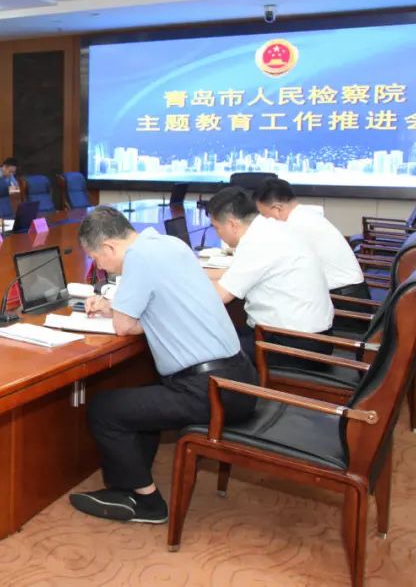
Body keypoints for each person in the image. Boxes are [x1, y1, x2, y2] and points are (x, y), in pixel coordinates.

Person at [69, 207, 257, 524]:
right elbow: (164, 308)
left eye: (96, 258)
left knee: (104, 409)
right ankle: (128, 487)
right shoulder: (169, 244)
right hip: (239, 377)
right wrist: (114, 307)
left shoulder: (137, 259)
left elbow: (124, 327)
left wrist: (115, 310)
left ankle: (147, 502)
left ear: (109, 247)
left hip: (209, 390)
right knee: (140, 399)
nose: (98, 267)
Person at [205, 186, 333, 357]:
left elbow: (221, 295)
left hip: (293, 345)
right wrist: (196, 274)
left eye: (216, 227)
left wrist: (181, 286)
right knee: (218, 335)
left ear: (232, 224)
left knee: (205, 348)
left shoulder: (256, 242)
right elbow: (233, 274)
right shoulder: (270, 228)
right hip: (310, 337)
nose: (217, 234)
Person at [254, 178, 369, 300]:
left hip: (344, 301)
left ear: (277, 209)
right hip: (349, 293)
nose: (266, 220)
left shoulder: (295, 225)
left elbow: (277, 266)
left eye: (265, 215)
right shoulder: (305, 215)